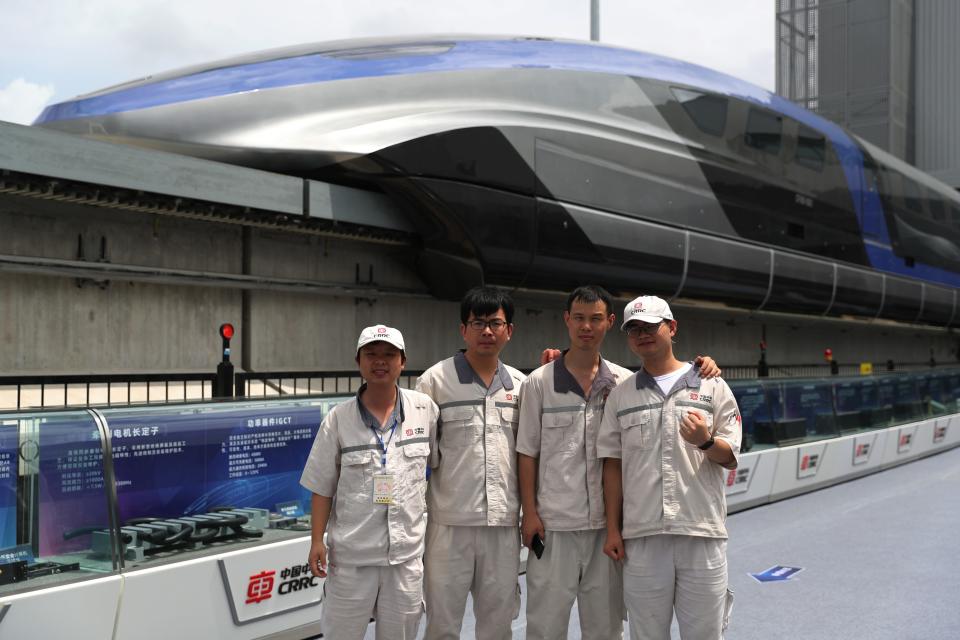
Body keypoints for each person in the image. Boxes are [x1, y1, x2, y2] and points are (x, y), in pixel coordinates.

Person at [518, 286, 721, 640]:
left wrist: (700, 365)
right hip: (554, 527)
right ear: (567, 320)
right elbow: (527, 452)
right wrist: (530, 514)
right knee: (544, 627)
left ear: (610, 323)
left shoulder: (625, 384)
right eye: (579, 318)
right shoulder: (539, 382)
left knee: (607, 630)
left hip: (607, 533)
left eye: (595, 319)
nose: (586, 327)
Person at [597, 296, 740, 640]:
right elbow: (612, 466)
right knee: (646, 634)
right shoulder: (621, 394)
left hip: (701, 532)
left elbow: (731, 456)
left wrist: (705, 441)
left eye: (650, 326)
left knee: (705, 634)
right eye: (634, 329)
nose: (642, 335)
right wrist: (613, 530)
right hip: (643, 537)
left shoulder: (712, 385)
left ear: (672, 327)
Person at [301, 325, 438, 640]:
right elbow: (322, 486)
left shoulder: (423, 410)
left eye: (389, 355)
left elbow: (437, 466)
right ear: (358, 361)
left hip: (404, 559)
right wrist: (317, 541)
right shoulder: (338, 420)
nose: (381, 361)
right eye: (371, 354)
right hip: (352, 559)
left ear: (402, 361)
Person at [415, 286, 525, 640]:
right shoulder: (434, 381)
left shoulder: (523, 386)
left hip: (503, 527)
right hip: (449, 526)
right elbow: (419, 459)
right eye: (478, 323)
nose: (487, 331)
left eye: (496, 323)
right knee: (442, 623)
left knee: (498, 624)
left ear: (510, 330)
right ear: (463, 330)